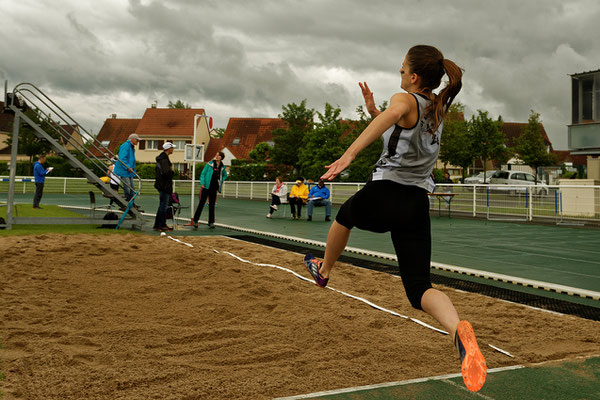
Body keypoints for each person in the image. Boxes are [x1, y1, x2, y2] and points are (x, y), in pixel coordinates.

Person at [303, 45, 487, 392]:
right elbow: (396, 123)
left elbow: (397, 114)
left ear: (414, 77)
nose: (400, 76)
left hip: (386, 193)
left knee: (344, 215)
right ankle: (456, 330)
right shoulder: (438, 107)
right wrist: (374, 110)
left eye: (402, 71)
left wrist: (348, 155)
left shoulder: (403, 99)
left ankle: (324, 271)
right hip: (416, 203)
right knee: (419, 288)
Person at [192, 151, 228, 228]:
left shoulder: (222, 167)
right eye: (216, 155)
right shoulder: (209, 164)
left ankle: (211, 222)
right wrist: (202, 183)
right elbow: (203, 174)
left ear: (221, 157)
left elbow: (225, 175)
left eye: (218, 155)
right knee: (201, 204)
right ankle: (195, 220)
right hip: (206, 187)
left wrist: (221, 181)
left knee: (212, 205)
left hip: (214, 188)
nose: (216, 156)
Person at [113, 133, 143, 212]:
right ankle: (127, 203)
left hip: (128, 170)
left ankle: (131, 203)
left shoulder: (130, 146)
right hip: (124, 170)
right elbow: (122, 158)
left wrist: (130, 167)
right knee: (128, 187)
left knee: (132, 188)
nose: (138, 142)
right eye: (137, 140)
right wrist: (128, 166)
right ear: (132, 139)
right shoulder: (126, 146)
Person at [153, 142, 176, 232]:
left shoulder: (161, 159)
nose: (173, 149)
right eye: (172, 148)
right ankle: (161, 225)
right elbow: (166, 173)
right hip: (164, 186)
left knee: (162, 206)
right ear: (168, 149)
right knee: (163, 206)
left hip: (162, 186)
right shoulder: (164, 160)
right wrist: (172, 172)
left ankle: (158, 224)